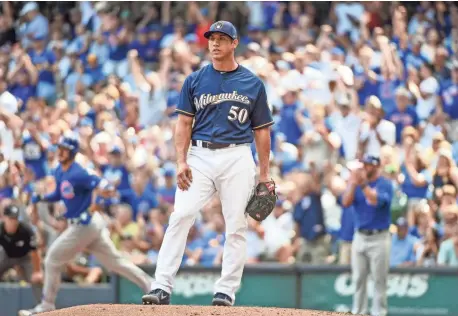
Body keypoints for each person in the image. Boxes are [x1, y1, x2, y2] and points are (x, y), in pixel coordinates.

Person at [142, 20, 273, 307]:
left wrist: (264, 174)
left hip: (237, 155)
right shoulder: (195, 80)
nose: (215, 43)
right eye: (212, 38)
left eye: (222, 39)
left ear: (234, 43)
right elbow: (184, 124)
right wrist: (180, 161)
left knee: (236, 225)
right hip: (199, 156)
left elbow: (262, 131)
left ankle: (226, 291)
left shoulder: (252, 82)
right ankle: (161, 286)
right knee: (180, 215)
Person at [18, 134, 153, 316]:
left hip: (85, 224)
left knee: (52, 259)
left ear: (72, 152)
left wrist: (106, 187)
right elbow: (59, 193)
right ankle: (152, 285)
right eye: (59, 148)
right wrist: (42, 197)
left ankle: (47, 304)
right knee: (114, 262)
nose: (60, 152)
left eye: (63, 149)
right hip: (87, 226)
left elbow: (99, 182)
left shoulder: (79, 172)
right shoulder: (59, 170)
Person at [341, 154, 393, 316]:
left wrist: (362, 185)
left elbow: (376, 202)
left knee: (379, 280)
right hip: (360, 236)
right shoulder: (357, 184)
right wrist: (352, 182)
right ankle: (359, 312)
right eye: (363, 165)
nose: (364, 168)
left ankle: (379, 313)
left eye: (367, 165)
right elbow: (346, 202)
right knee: (358, 279)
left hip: (379, 237)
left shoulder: (385, 184)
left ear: (376, 167)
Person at [0, 204, 42, 303]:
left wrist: (37, 271)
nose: (13, 221)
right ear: (4, 218)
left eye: (15, 218)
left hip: (24, 258)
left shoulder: (26, 229)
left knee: (37, 279)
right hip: (6, 257)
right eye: (10, 218)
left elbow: (34, 251)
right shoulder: (0, 229)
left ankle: (42, 306)